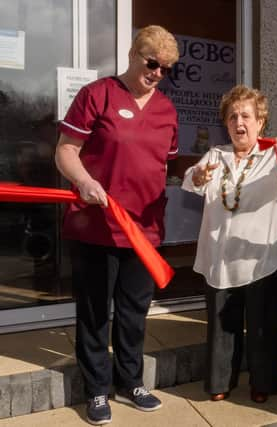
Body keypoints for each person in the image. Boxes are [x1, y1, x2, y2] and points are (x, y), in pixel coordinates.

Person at [55, 25, 179, 425]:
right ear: (133, 54)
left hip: (144, 229)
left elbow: (165, 166)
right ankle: (96, 389)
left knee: (134, 310)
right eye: (152, 62)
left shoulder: (167, 110)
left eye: (167, 68)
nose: (158, 72)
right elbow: (65, 152)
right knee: (95, 311)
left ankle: (132, 380)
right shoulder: (97, 95)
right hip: (98, 225)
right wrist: (85, 180)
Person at [181, 85, 277, 404]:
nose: (240, 122)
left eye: (246, 116)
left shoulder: (273, 154)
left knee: (264, 325)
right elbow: (193, 180)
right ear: (226, 123)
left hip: (264, 257)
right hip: (220, 258)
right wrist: (198, 176)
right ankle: (220, 380)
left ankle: (262, 383)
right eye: (233, 116)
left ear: (260, 121)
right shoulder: (216, 154)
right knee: (222, 324)